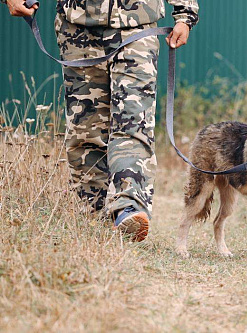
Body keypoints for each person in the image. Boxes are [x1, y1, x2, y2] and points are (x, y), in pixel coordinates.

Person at [4, 0, 199, 241]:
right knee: (86, 129)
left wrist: (185, 14)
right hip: (77, 29)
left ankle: (129, 207)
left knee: (132, 122)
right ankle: (94, 219)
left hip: (137, 25)